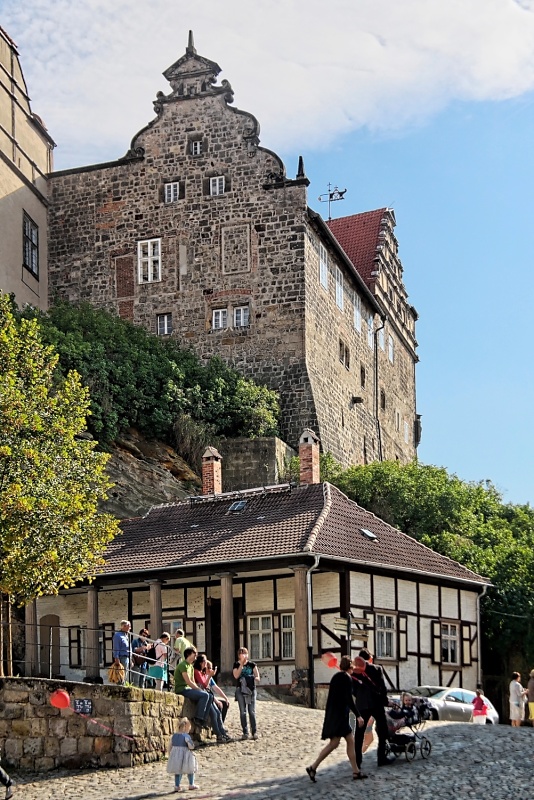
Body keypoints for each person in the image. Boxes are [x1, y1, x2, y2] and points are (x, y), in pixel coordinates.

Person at [306, 656, 366, 782]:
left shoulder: (336, 677)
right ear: (351, 668)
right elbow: (348, 699)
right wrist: (358, 715)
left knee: (340, 742)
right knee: (343, 742)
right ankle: (314, 767)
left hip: (334, 715)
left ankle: (355, 771)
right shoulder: (347, 678)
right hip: (340, 716)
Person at [175, 647, 230, 741]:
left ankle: (203, 720)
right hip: (182, 689)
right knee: (205, 695)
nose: (195, 656)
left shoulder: (190, 667)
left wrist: (199, 690)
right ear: (189, 654)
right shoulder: (183, 665)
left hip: (189, 689)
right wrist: (199, 690)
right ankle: (199, 718)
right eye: (194, 654)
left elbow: (193, 682)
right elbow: (188, 682)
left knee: (208, 696)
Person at [352, 654, 394, 768]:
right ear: (369, 659)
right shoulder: (377, 669)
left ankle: (358, 762)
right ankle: (381, 758)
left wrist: (361, 697)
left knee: (359, 734)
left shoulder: (354, 672)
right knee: (382, 730)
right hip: (376, 704)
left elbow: (353, 690)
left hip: (362, 705)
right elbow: (382, 687)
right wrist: (385, 701)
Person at [193, 653, 231, 741]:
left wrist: (225, 698)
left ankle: (222, 733)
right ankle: (219, 734)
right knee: (214, 714)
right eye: (205, 663)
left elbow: (214, 688)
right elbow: (204, 686)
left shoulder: (203, 673)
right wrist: (209, 676)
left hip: (208, 696)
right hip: (204, 697)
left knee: (217, 713)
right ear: (200, 663)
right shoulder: (197, 672)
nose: (206, 665)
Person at [233, 647, 260, 740]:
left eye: (244, 653)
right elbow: (236, 675)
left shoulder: (252, 665)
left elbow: (258, 677)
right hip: (240, 690)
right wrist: (241, 665)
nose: (243, 655)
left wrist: (251, 678)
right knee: (243, 712)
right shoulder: (236, 664)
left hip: (251, 690)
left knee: (251, 711)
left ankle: (254, 731)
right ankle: (245, 732)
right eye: (241, 653)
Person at [167, 717, 198, 792]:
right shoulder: (186, 736)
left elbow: (170, 745)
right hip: (186, 755)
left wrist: (170, 754)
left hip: (176, 756)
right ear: (185, 727)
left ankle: (177, 786)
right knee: (190, 769)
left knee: (178, 771)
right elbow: (191, 746)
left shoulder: (174, 736)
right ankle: (191, 784)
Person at [112, 620, 132, 685]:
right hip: (122, 657)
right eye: (129, 626)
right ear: (124, 626)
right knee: (120, 675)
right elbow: (116, 647)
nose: (130, 628)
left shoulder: (126, 636)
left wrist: (131, 659)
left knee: (125, 675)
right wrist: (116, 658)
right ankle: (120, 687)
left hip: (127, 657)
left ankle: (123, 686)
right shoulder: (118, 636)